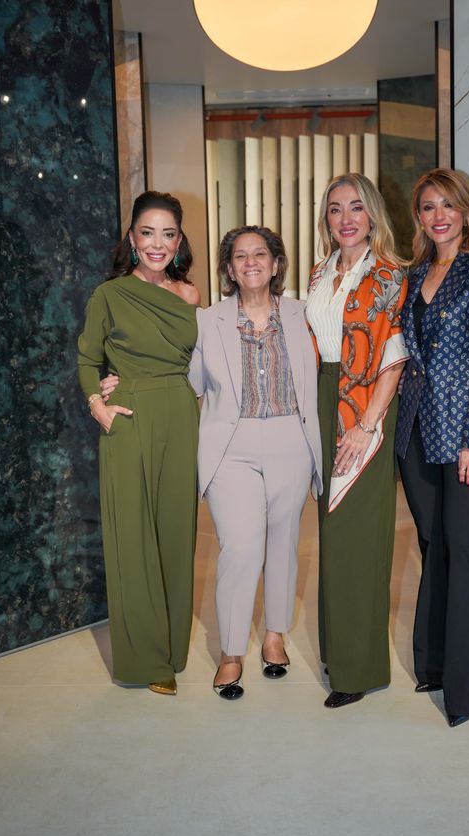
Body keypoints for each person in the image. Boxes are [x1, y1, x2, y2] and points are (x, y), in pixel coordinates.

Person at [395, 168, 469, 727]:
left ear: (466, 210)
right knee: (432, 543)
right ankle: (435, 665)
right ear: (419, 218)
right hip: (416, 429)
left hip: (466, 433)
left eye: (448, 205)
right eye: (428, 207)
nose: (438, 216)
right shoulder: (416, 272)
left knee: (461, 547)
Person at [189, 226, 323, 700]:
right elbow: (186, 381)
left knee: (284, 543)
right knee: (242, 546)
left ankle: (274, 635)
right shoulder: (208, 321)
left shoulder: (303, 315)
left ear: (275, 263)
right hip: (232, 445)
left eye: (260, 254)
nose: (251, 262)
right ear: (228, 268)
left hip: (292, 439)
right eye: (240, 256)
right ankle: (230, 652)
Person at [77, 190, 201, 695]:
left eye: (167, 234)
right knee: (133, 536)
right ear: (131, 237)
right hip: (127, 417)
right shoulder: (109, 295)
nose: (157, 243)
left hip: (180, 415)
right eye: (147, 232)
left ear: (179, 240)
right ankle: (146, 658)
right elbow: (88, 358)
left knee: (175, 531)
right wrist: (98, 404)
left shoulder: (189, 295)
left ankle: (172, 644)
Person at [305, 173, 409, 708]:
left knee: (358, 537)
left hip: (364, 405)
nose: (345, 218)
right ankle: (337, 652)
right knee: (331, 534)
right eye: (335, 209)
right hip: (323, 396)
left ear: (372, 216)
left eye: (355, 208)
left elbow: (394, 356)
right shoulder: (319, 272)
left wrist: (366, 424)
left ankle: (359, 669)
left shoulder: (389, 274)